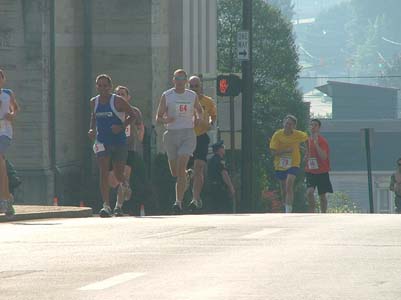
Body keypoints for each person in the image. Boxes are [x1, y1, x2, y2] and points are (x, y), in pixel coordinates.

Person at [88, 74, 141, 217]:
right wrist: (92, 129)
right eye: (100, 85)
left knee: (118, 173)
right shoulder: (94, 102)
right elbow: (93, 118)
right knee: (103, 172)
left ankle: (125, 184)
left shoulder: (117, 101)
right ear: (96, 87)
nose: (103, 88)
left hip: (118, 141)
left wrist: (121, 127)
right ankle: (106, 205)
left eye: (105, 85)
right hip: (102, 141)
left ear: (110, 87)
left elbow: (133, 116)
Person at [155, 69, 203, 214]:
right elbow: (158, 117)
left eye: (183, 78)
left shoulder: (191, 95)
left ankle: (178, 202)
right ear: (173, 80)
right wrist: (165, 119)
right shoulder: (167, 95)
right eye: (178, 78)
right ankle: (187, 176)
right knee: (175, 172)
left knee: (181, 166)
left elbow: (199, 110)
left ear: (186, 81)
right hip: (171, 134)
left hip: (188, 133)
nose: (180, 81)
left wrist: (198, 118)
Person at [113, 85, 146, 216]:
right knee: (113, 180)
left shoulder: (134, 111)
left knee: (124, 176)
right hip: (114, 148)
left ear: (128, 97)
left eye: (123, 94)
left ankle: (118, 206)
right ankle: (126, 186)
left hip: (129, 149)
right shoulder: (112, 110)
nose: (120, 96)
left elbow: (140, 126)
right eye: (118, 94)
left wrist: (140, 137)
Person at [187, 75, 217, 211]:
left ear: (201, 87)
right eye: (191, 86)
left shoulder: (208, 102)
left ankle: (195, 198)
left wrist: (209, 123)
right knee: (186, 170)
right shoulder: (184, 101)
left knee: (199, 167)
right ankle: (183, 194)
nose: (194, 89)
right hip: (186, 136)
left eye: (196, 86)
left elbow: (213, 117)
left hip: (201, 137)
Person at [269, 114, 308, 213]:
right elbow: (273, 153)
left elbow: (307, 138)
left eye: (290, 124)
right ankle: (284, 206)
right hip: (280, 165)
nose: (288, 126)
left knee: (289, 184)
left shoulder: (298, 134)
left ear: (294, 126)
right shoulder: (277, 135)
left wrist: (307, 152)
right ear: (283, 124)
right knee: (283, 189)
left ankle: (288, 210)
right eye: (286, 123)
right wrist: (286, 151)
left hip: (294, 163)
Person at [0, 69, 20, 217]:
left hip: (5, 132)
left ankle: (5, 199)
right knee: (1, 165)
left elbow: (15, 108)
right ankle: (7, 199)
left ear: (3, 79)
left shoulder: (7, 93)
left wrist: (11, 115)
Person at [304, 118, 333, 213]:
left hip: (322, 171)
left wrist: (316, 145)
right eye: (311, 125)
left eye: (315, 125)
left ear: (319, 128)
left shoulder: (322, 141)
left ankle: (323, 214)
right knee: (309, 192)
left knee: (322, 196)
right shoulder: (307, 140)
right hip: (311, 171)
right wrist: (305, 157)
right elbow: (307, 154)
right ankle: (312, 212)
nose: (313, 127)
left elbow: (324, 156)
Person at [207, 141, 235, 213]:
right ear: (219, 150)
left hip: (212, 187)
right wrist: (231, 187)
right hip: (220, 188)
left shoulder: (211, 160)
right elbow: (224, 174)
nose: (224, 149)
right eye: (223, 147)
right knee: (224, 208)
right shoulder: (220, 160)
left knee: (214, 209)